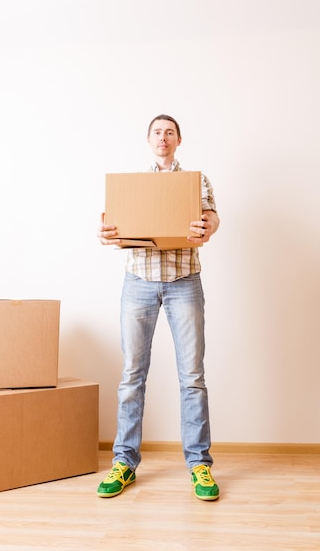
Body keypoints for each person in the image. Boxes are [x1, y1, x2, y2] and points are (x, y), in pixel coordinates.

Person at [97, 114, 220, 501]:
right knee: (132, 375)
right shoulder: (135, 185)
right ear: (149, 140)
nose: (163, 137)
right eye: (157, 132)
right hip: (139, 282)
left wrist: (208, 226)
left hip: (184, 280)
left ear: (179, 140)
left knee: (192, 376)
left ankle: (199, 464)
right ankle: (124, 463)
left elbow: (212, 216)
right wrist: (107, 232)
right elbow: (115, 225)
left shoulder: (195, 181)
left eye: (170, 132)